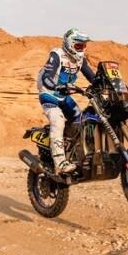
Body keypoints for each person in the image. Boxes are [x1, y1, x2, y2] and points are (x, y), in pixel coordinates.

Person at [37, 28, 96, 175]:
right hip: (49, 94)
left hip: (64, 96)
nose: (82, 49)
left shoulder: (80, 60)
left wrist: (107, 84)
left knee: (82, 120)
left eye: (84, 46)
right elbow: (47, 77)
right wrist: (56, 85)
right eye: (79, 46)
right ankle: (60, 162)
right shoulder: (57, 55)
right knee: (58, 121)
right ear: (70, 44)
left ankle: (76, 155)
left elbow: (92, 77)